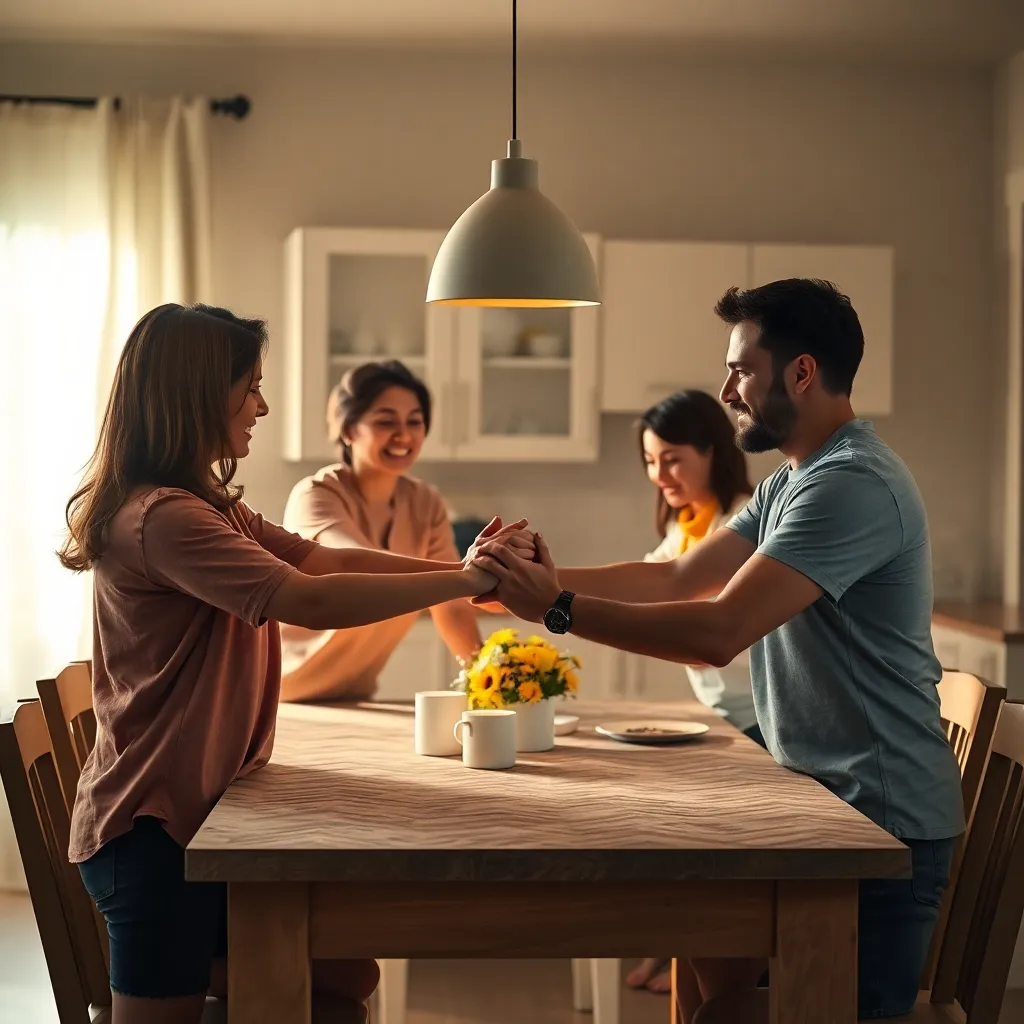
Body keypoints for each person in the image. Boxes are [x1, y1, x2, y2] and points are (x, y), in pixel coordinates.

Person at [471, 279, 965, 1022]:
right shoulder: (794, 480)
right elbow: (678, 575)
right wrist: (530, 571)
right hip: (828, 812)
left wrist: (555, 608)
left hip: (879, 836)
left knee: (718, 999)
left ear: (800, 372)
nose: (728, 388)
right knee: (703, 955)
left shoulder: (850, 484)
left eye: (741, 369)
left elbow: (717, 631)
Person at [57, 303, 526, 1024]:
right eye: (250, 387)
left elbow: (320, 556)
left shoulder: (206, 506)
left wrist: (459, 570)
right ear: (198, 393)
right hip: (153, 835)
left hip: (195, 816)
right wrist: (463, 581)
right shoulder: (168, 519)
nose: (262, 405)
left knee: (344, 975)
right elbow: (309, 597)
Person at [626, 389, 759, 996]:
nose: (661, 475)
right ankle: (682, 948)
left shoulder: (746, 519)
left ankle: (716, 960)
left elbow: (678, 599)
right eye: (652, 462)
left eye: (673, 459)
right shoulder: (687, 524)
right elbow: (647, 583)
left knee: (703, 835)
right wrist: (544, 589)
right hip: (723, 718)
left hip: (759, 722)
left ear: (713, 450)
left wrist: (551, 599)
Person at [280, 361, 482, 702]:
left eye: (414, 422)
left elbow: (453, 608)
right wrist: (466, 575)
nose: (403, 435)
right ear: (348, 430)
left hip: (355, 696)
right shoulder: (316, 495)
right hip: (284, 696)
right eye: (386, 422)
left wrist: (490, 680)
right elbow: (352, 563)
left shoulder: (426, 503)